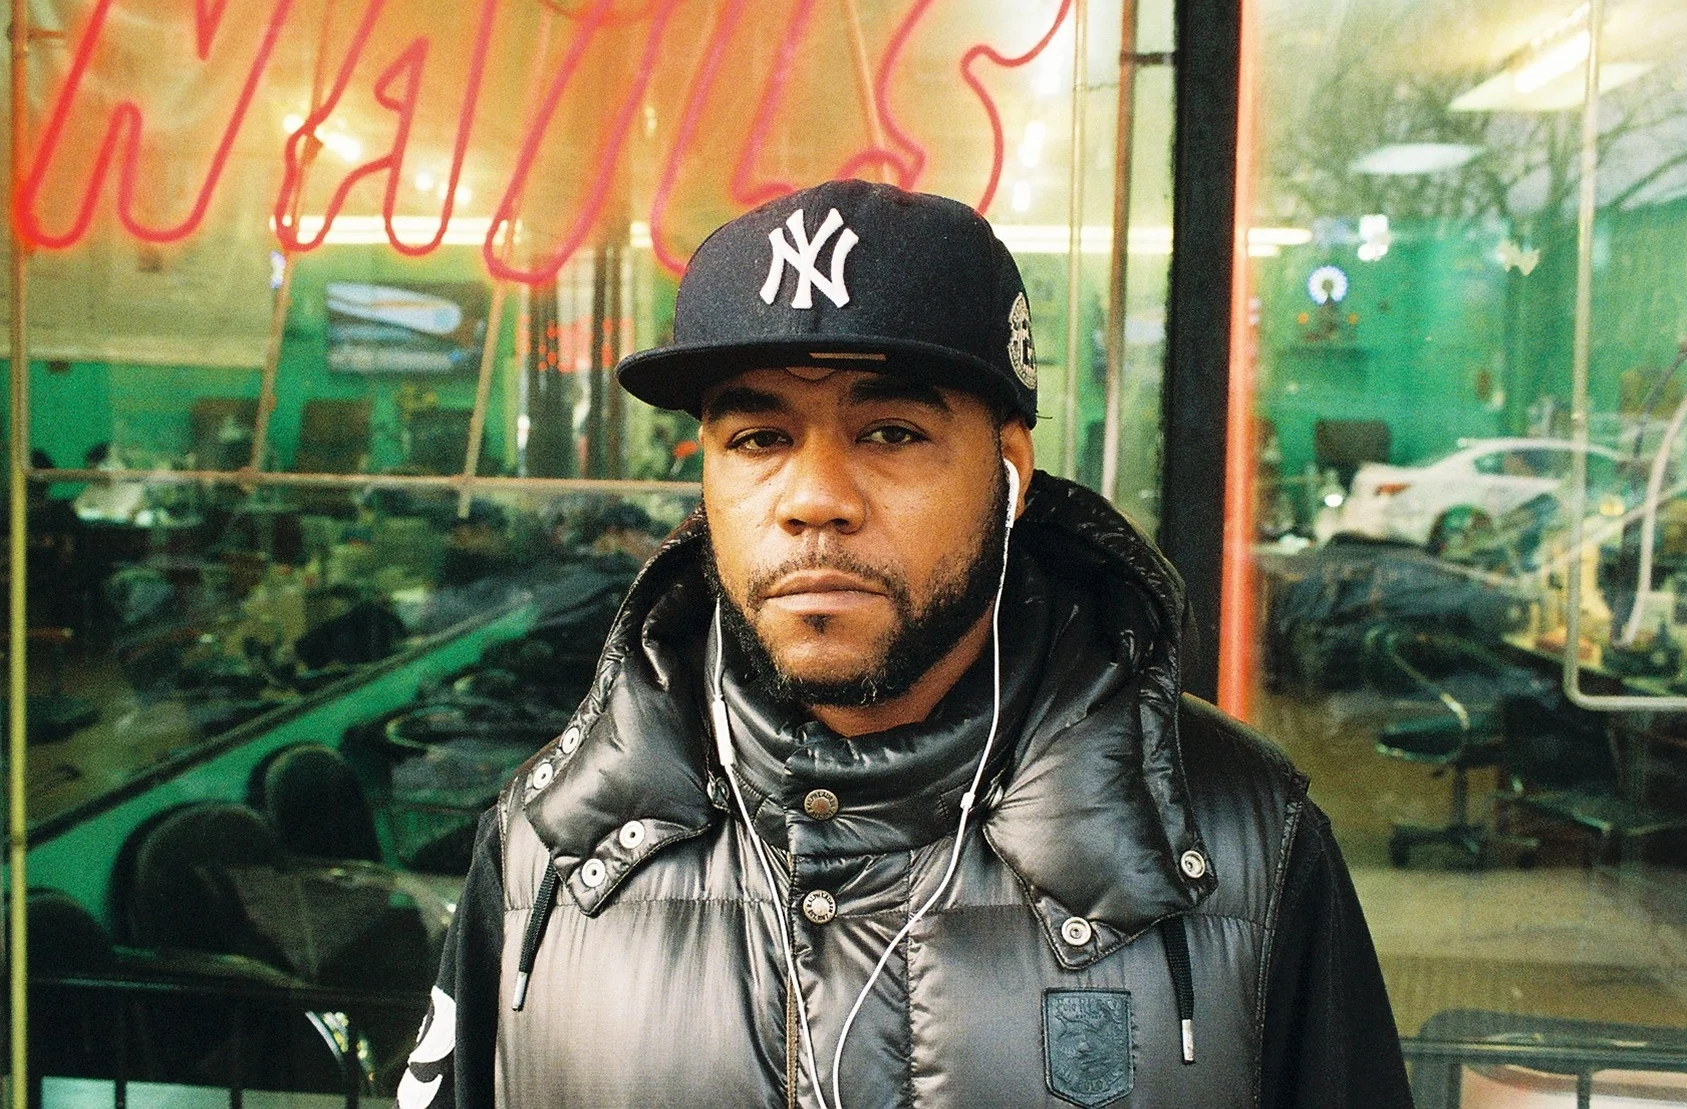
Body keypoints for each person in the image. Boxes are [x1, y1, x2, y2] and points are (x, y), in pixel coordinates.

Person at [399, 180, 1413, 1109]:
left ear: (1008, 474)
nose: (813, 500)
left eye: (889, 432)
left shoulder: (1237, 839)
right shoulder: (557, 839)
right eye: (758, 438)